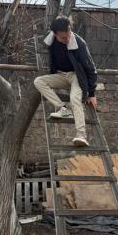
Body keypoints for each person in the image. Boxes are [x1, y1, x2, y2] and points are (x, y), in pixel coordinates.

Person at [34, 16, 97, 147]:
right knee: (38, 81)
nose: (67, 39)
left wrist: (91, 93)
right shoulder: (50, 40)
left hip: (77, 77)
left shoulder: (79, 43)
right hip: (61, 75)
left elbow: (91, 68)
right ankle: (62, 109)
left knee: (75, 99)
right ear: (55, 35)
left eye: (68, 35)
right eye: (63, 38)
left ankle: (81, 136)